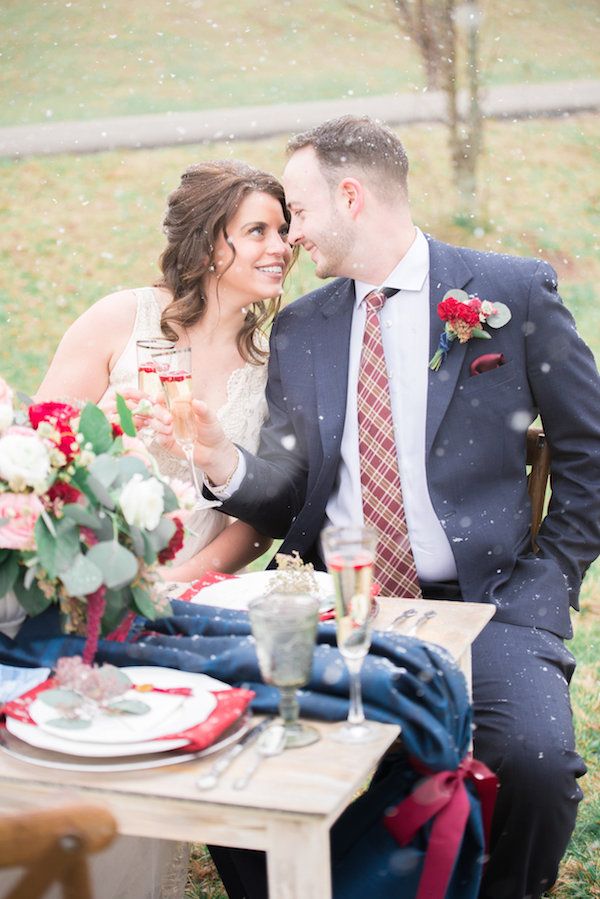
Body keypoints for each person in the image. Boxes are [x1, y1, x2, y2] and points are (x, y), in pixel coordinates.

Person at [169, 117, 600, 898]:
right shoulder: (304, 327)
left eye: (297, 210)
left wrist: (551, 577)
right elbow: (290, 489)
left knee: (534, 766)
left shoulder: (509, 291)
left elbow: (588, 446)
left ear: (350, 195)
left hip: (490, 603)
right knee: (239, 754)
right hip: (338, 600)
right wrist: (218, 461)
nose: (292, 236)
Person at [37, 159, 293, 583]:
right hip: (82, 575)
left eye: (282, 231)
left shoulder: (269, 364)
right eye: (257, 231)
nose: (281, 247)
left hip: (196, 592)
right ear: (207, 243)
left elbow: (260, 523)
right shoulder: (119, 320)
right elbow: (31, 456)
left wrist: (174, 585)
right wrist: (97, 434)